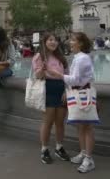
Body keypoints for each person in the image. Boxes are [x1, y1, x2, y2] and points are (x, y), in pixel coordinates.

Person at [46, 32, 96, 173]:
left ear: (80, 43)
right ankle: (83, 152)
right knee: (81, 126)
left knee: (87, 127)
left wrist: (58, 75)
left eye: (73, 40)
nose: (69, 42)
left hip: (83, 94)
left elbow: (76, 80)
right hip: (79, 94)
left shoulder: (82, 59)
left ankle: (89, 158)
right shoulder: (79, 58)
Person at [33, 32, 70, 165]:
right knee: (47, 122)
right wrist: (42, 70)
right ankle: (44, 149)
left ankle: (59, 147)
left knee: (60, 121)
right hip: (47, 89)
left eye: (55, 40)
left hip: (61, 89)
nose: (53, 42)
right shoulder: (39, 56)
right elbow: (37, 75)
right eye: (50, 40)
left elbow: (67, 75)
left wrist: (66, 90)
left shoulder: (61, 58)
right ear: (44, 42)